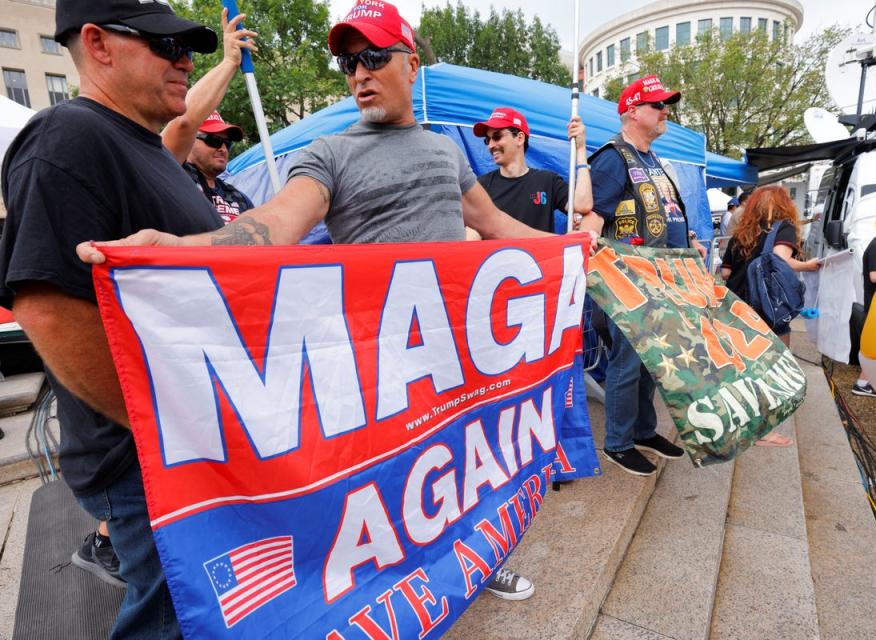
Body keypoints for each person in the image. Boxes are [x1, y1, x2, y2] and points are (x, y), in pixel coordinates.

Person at [78, 0, 581, 602]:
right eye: (347, 63)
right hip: (385, 368)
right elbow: (277, 224)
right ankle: (400, 587)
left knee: (464, 471)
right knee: (398, 487)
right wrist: (181, 249)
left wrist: (571, 248)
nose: (359, 73)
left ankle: (479, 555)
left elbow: (496, 223)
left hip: (460, 360)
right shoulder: (329, 153)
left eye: (372, 56)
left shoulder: (448, 152)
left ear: (409, 62)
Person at [0, 0, 226, 636]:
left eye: (189, 47)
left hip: (184, 447)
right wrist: (158, 430)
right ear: (97, 44)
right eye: (165, 45)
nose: (185, 60)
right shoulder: (70, 135)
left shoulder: (145, 145)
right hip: (150, 461)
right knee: (172, 618)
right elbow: (43, 307)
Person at [576, 74, 703, 476]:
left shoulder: (651, 160)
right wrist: (587, 241)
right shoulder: (614, 157)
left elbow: (661, 213)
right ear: (632, 111)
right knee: (627, 365)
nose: (666, 111)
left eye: (666, 105)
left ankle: (645, 431)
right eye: (658, 105)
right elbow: (592, 213)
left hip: (661, 282)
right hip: (626, 283)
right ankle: (617, 442)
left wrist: (690, 239)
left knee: (654, 363)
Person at [720, 185, 820, 446]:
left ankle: (740, 421)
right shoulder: (784, 228)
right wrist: (809, 266)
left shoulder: (740, 234)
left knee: (742, 368)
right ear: (784, 204)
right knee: (772, 368)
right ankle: (763, 430)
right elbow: (782, 259)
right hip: (768, 310)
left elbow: (726, 274)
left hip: (736, 308)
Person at [161, 12, 256, 222]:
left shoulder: (238, 198)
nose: (222, 148)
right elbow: (184, 123)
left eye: (226, 143)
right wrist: (230, 61)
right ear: (190, 141)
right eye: (213, 140)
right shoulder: (174, 175)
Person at [473, 107, 593, 232]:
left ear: (520, 138)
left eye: (497, 137)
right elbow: (472, 233)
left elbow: (583, 205)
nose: (491, 145)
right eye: (487, 139)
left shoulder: (547, 181)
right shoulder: (482, 185)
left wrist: (580, 149)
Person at [852, 236, 876, 397]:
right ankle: (863, 383)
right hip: (875, 305)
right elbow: (875, 275)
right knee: (874, 345)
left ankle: (866, 382)